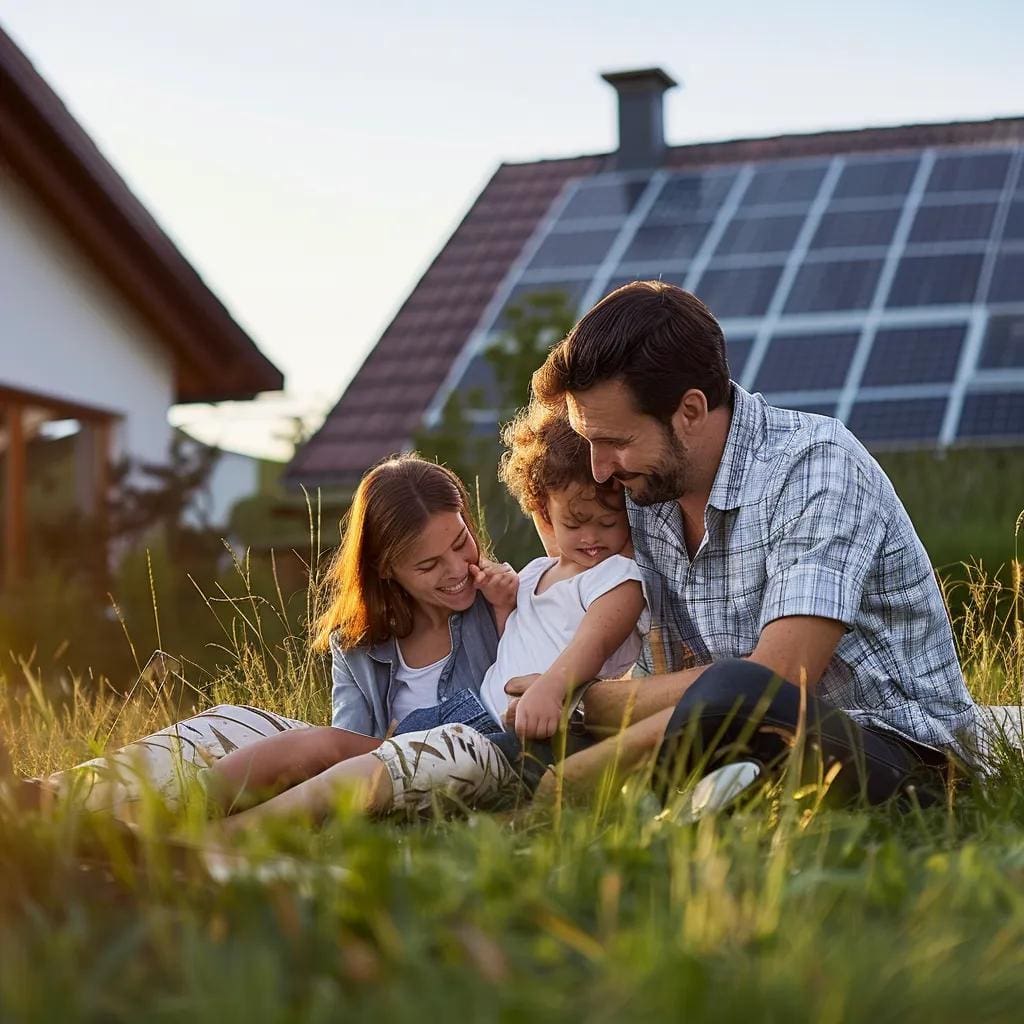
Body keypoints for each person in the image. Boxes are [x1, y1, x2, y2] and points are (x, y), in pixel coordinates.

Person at [526, 279, 978, 810]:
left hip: (902, 758)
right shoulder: (649, 490)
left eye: (616, 442)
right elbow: (673, 686)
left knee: (738, 689)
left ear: (690, 411)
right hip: (735, 734)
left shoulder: (817, 466)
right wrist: (571, 705)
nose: (599, 468)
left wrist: (601, 710)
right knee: (540, 728)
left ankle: (602, 797)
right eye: (589, 441)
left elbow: (776, 679)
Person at [214, 409, 649, 830]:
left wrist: (533, 658)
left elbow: (584, 644)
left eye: (462, 543)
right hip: (460, 726)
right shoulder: (359, 644)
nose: (459, 570)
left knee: (334, 756)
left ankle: (227, 836)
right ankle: (176, 806)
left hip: (497, 737)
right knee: (260, 731)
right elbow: (525, 637)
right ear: (387, 568)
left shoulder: (581, 580)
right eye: (428, 565)